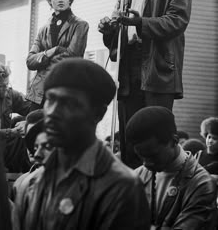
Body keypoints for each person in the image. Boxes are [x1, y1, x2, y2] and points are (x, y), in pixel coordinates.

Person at [13, 58, 150, 230]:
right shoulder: (32, 182)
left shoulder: (121, 188)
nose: (53, 112)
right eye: (50, 99)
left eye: (69, 103)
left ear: (98, 113)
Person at [98, 0, 192, 168]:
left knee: (155, 137)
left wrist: (139, 23)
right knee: (130, 136)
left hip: (157, 66)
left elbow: (177, 21)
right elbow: (120, 21)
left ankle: (158, 194)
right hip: (129, 66)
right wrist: (110, 29)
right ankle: (132, 195)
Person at [126, 106, 217, 229]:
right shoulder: (138, 175)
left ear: (174, 140)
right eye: (141, 157)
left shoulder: (202, 184)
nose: (146, 163)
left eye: (152, 156)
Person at [26, 0, 89, 111]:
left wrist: (42, 60)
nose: (60, 0)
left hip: (64, 88)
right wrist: (51, 51)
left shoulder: (80, 25)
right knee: (34, 129)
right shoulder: (43, 29)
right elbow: (30, 61)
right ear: (50, 0)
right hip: (38, 93)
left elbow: (72, 56)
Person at [0, 62, 31, 172]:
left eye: (7, 84)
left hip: (3, 147)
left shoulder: (10, 95)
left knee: (20, 121)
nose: (5, 89)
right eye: (0, 86)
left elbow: (32, 108)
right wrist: (11, 132)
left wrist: (28, 121)